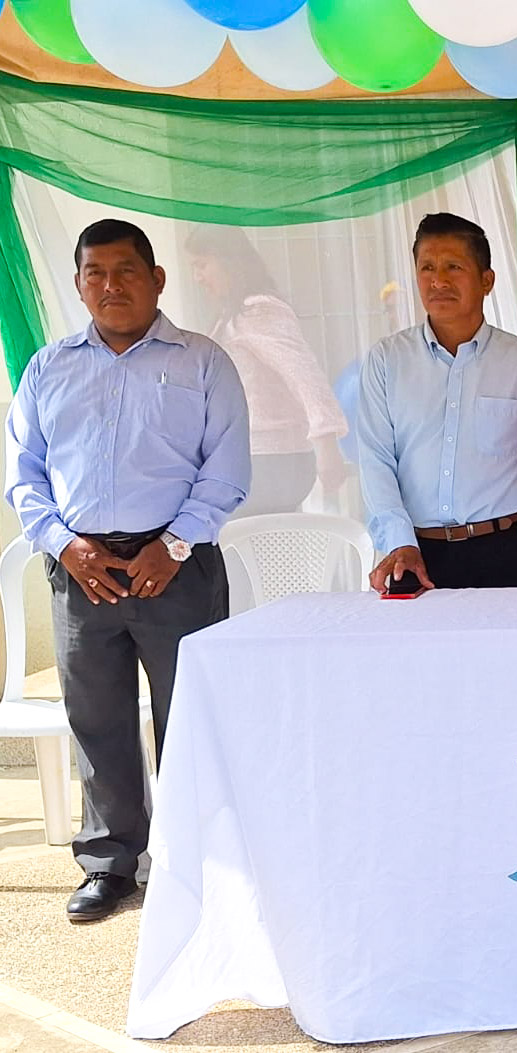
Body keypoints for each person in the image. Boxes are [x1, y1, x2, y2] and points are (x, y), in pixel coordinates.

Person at [4, 218, 249, 922]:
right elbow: (24, 473)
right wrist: (64, 544)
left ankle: (197, 861)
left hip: (176, 565)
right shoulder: (48, 368)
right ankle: (110, 864)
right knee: (97, 717)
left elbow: (227, 469)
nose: (111, 286)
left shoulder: (203, 361)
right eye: (96, 273)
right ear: (79, 284)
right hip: (81, 568)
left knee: (191, 714)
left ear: (156, 279)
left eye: (126, 271)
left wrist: (172, 545)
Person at [357, 213, 517, 593]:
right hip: (413, 553)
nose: (438, 281)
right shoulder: (387, 360)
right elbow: (376, 460)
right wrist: (399, 541)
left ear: (486, 280)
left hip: (504, 548)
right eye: (427, 268)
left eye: (453, 267)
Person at [184, 225, 348, 516]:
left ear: (228, 261)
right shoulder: (231, 316)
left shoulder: (258, 310)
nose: (197, 277)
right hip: (257, 459)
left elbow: (304, 374)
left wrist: (326, 444)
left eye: (202, 265)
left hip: (271, 460)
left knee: (250, 540)